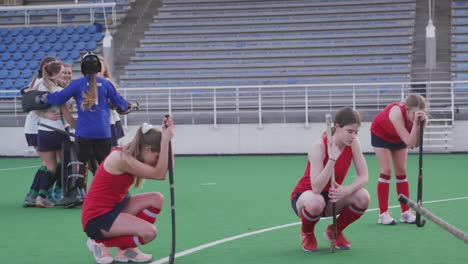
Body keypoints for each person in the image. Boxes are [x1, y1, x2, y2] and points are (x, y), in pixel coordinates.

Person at [82, 118, 174, 264]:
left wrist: (167, 139)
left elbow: (167, 167)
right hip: (98, 218)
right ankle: (97, 242)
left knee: (157, 198)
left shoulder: (132, 155)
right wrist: (164, 142)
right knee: (150, 233)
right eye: (156, 157)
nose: (157, 161)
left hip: (116, 208)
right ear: (147, 149)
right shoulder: (123, 159)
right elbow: (160, 174)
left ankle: (126, 251)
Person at [291, 107, 370, 252]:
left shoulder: (353, 144)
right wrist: (332, 158)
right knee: (316, 201)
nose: (353, 136)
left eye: (356, 132)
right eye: (350, 131)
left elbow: (364, 176)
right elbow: (316, 188)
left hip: (332, 195)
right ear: (338, 127)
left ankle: (334, 231)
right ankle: (307, 233)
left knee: (363, 197)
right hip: (307, 196)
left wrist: (346, 190)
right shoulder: (319, 146)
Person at [370, 94, 427, 225]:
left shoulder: (420, 119)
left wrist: (421, 126)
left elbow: (416, 144)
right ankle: (383, 214)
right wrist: (415, 126)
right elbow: (410, 143)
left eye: (420, 113)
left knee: (401, 171)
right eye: (413, 113)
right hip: (381, 134)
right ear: (407, 109)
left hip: (399, 137)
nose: (416, 116)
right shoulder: (396, 113)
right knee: (387, 170)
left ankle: (405, 212)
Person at [34, 61, 76, 207]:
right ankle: (57, 193)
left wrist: (43, 114)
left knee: (49, 165)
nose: (64, 74)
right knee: (61, 164)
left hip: (43, 130)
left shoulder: (40, 86)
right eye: (62, 72)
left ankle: (40, 196)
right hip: (58, 131)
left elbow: (30, 103)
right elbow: (67, 113)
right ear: (55, 74)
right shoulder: (59, 90)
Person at [22, 56, 58, 207]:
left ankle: (34, 193)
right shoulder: (41, 83)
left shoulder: (39, 81)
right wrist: (44, 114)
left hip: (36, 127)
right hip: (37, 127)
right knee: (50, 163)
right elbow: (29, 103)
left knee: (48, 163)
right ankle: (39, 194)